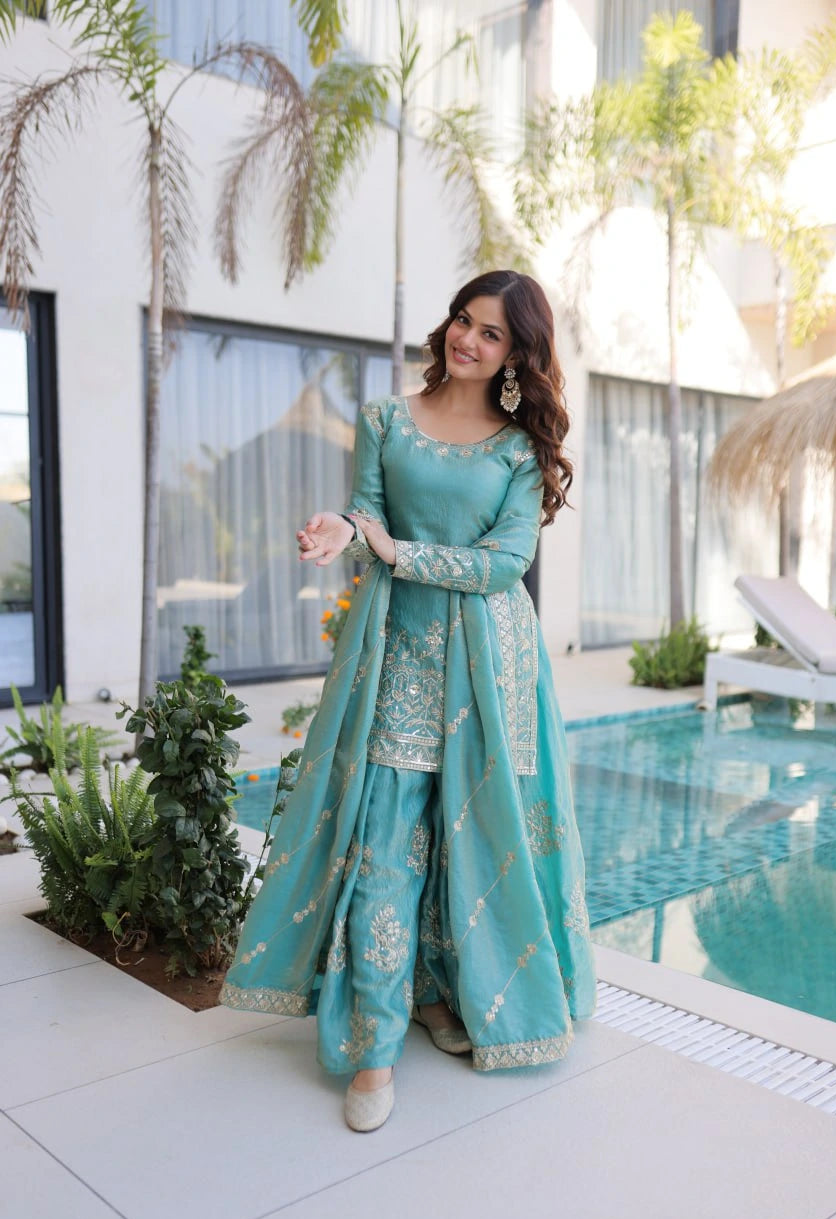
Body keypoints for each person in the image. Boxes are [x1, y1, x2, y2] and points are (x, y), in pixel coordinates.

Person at [219, 270, 596, 1132]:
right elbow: (366, 513)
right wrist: (341, 530)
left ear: (518, 353)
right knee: (387, 838)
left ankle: (440, 994)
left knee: (473, 834)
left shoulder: (517, 449)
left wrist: (395, 552)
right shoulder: (386, 417)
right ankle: (373, 1046)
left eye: (491, 332)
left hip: (490, 668)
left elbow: (504, 565)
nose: (468, 338)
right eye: (463, 320)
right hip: (395, 656)